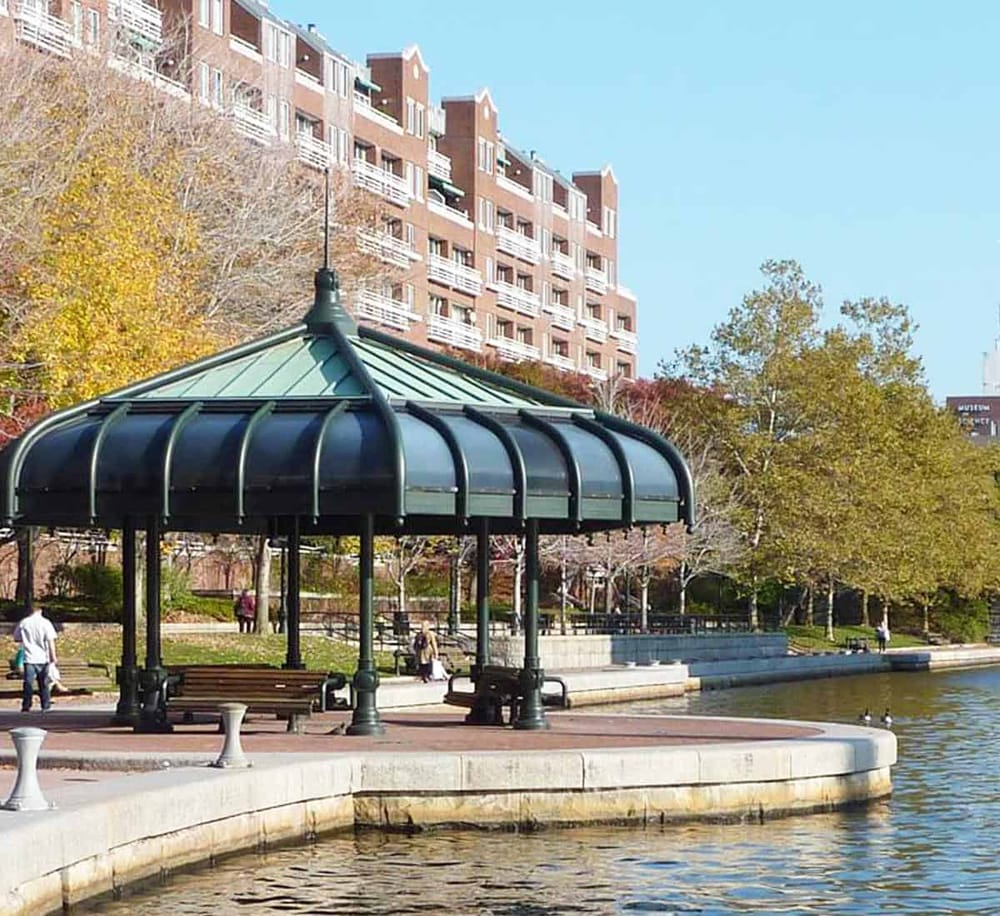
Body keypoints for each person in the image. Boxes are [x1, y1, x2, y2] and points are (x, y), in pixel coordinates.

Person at [12, 605, 58, 712]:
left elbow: (16, 637)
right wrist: (53, 656)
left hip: (29, 657)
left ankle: (26, 705)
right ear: (40, 611)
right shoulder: (46, 623)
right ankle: (45, 705)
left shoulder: (24, 622)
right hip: (43, 657)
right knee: (44, 683)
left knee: (28, 683)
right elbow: (50, 641)